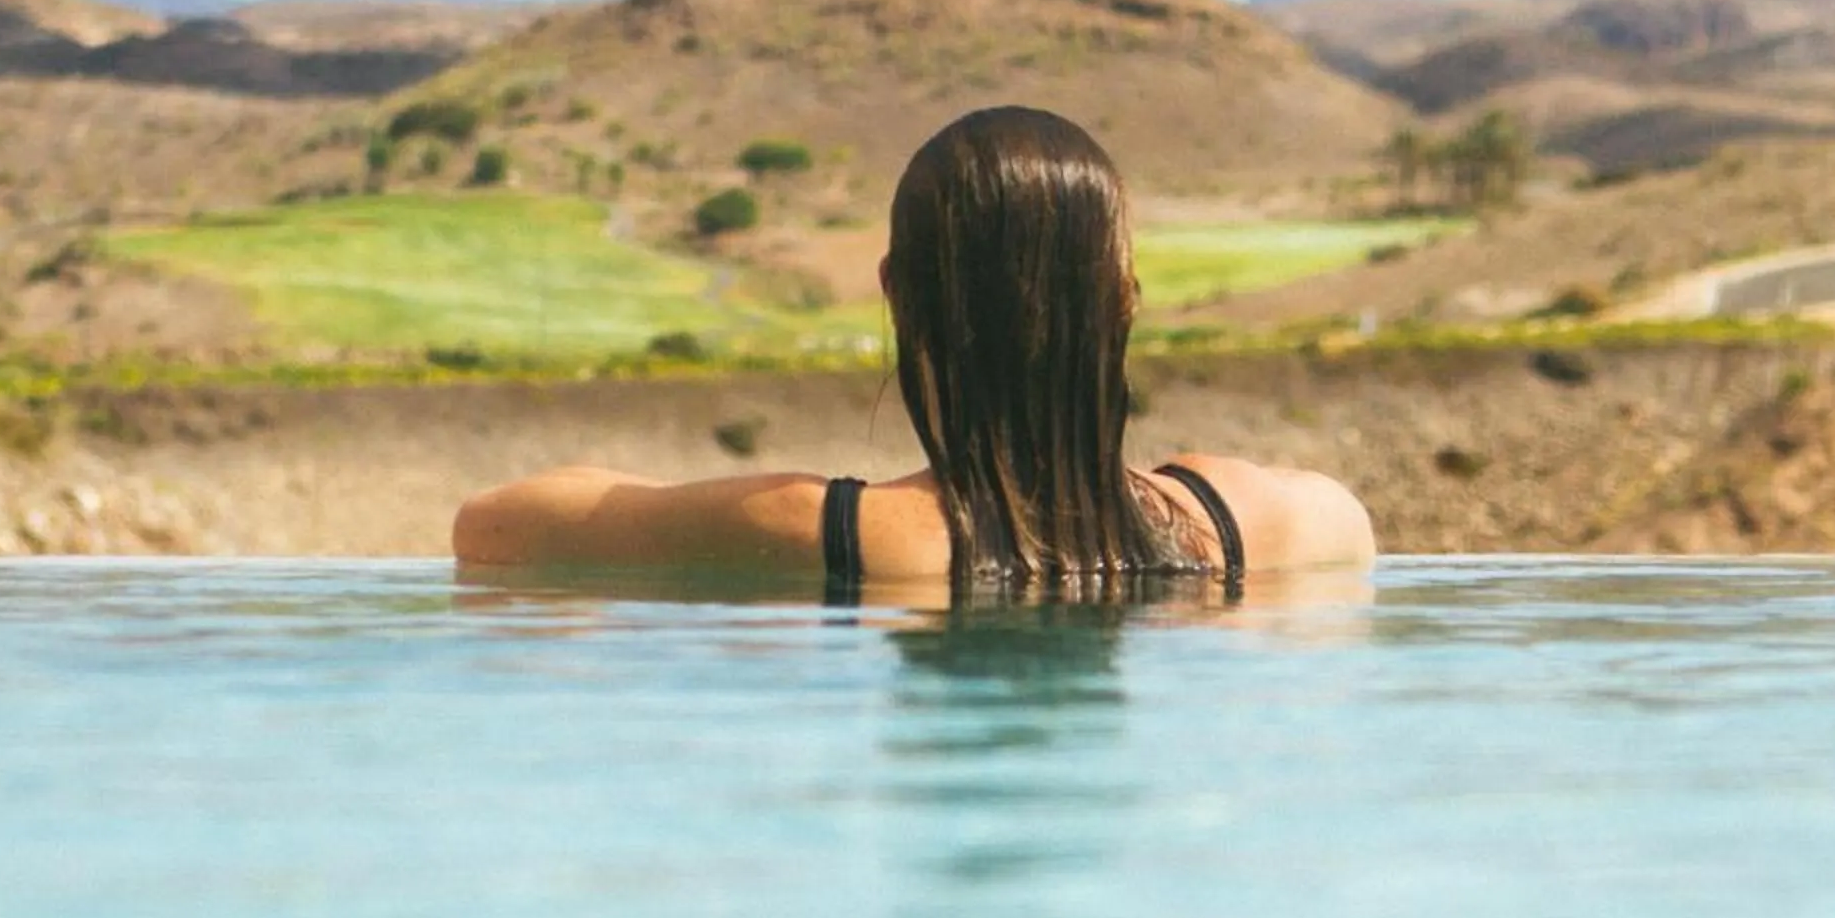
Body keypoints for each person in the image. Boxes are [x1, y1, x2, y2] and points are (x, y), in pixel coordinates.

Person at [453, 105, 1377, 590]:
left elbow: (490, 524)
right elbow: (1354, 527)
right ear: (1125, 297)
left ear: (899, 296)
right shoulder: (1256, 523)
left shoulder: (830, 537)